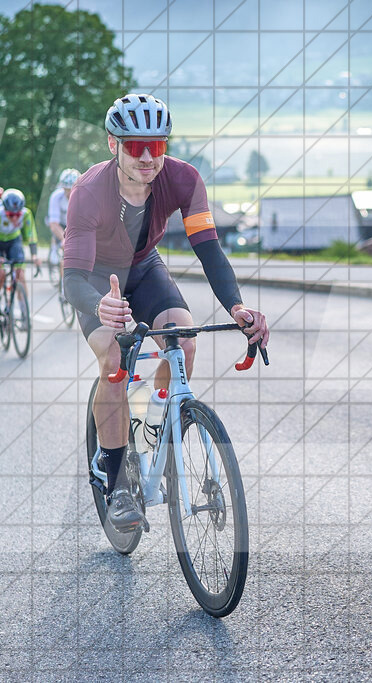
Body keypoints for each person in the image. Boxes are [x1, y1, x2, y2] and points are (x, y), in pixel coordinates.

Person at [63, 93, 270, 532]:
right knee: (114, 360)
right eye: (134, 145)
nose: (145, 156)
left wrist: (236, 306)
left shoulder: (183, 179)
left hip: (143, 268)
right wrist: (99, 305)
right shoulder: (87, 192)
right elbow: (72, 280)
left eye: (155, 146)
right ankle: (117, 477)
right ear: (112, 144)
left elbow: (209, 250)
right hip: (98, 280)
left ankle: (154, 427)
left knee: (184, 342)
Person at [0, 189, 39, 323]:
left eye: (17, 214)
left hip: (14, 241)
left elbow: (31, 235)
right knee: (0, 275)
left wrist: (34, 255)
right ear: (4, 209)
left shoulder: (26, 214)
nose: (15, 218)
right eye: (10, 214)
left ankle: (24, 313)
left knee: (20, 275)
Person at [46, 168, 80, 274]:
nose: (69, 193)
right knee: (66, 254)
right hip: (60, 224)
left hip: (75, 224)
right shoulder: (56, 197)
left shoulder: (84, 195)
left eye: (72, 189)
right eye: (66, 189)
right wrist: (64, 240)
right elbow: (54, 224)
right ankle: (63, 287)